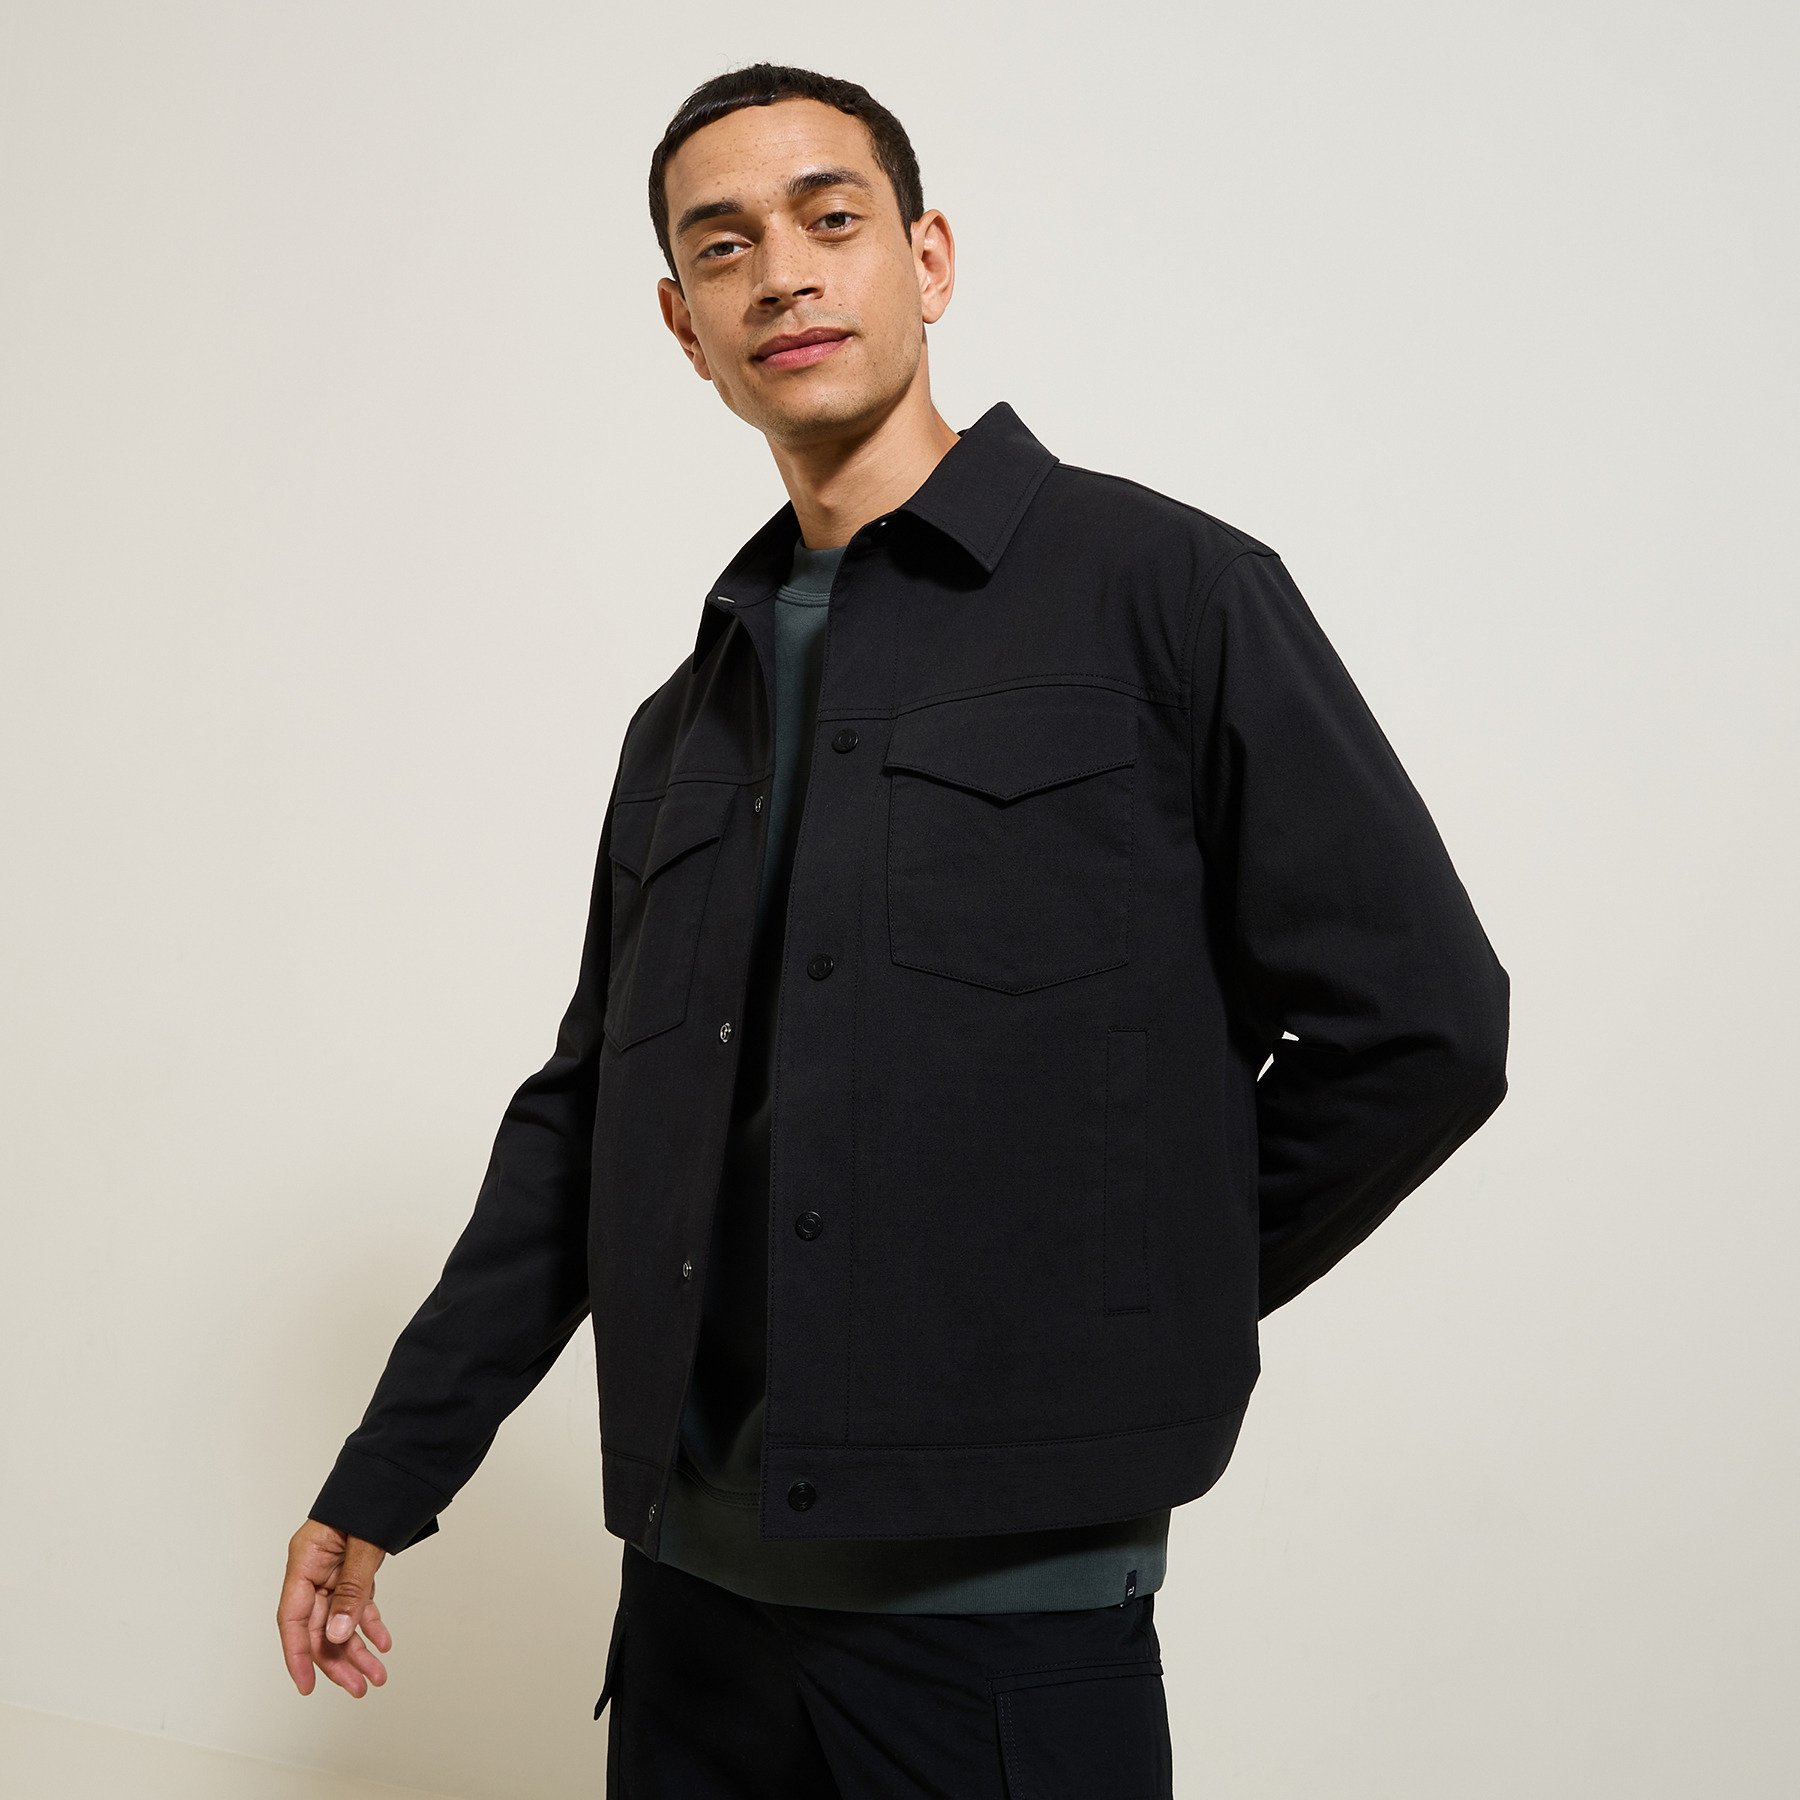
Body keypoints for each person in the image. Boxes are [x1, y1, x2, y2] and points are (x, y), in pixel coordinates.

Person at [278, 62, 1510, 1797]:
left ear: (926, 259)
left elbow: (1425, 1026)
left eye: (829, 218)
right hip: (689, 1618)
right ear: (684, 324)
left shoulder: (1168, 594)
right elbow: (588, 1125)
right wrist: (387, 1474)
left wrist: (1126, 1286)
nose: (781, 273)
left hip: (999, 1635)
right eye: (723, 247)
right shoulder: (682, 721)